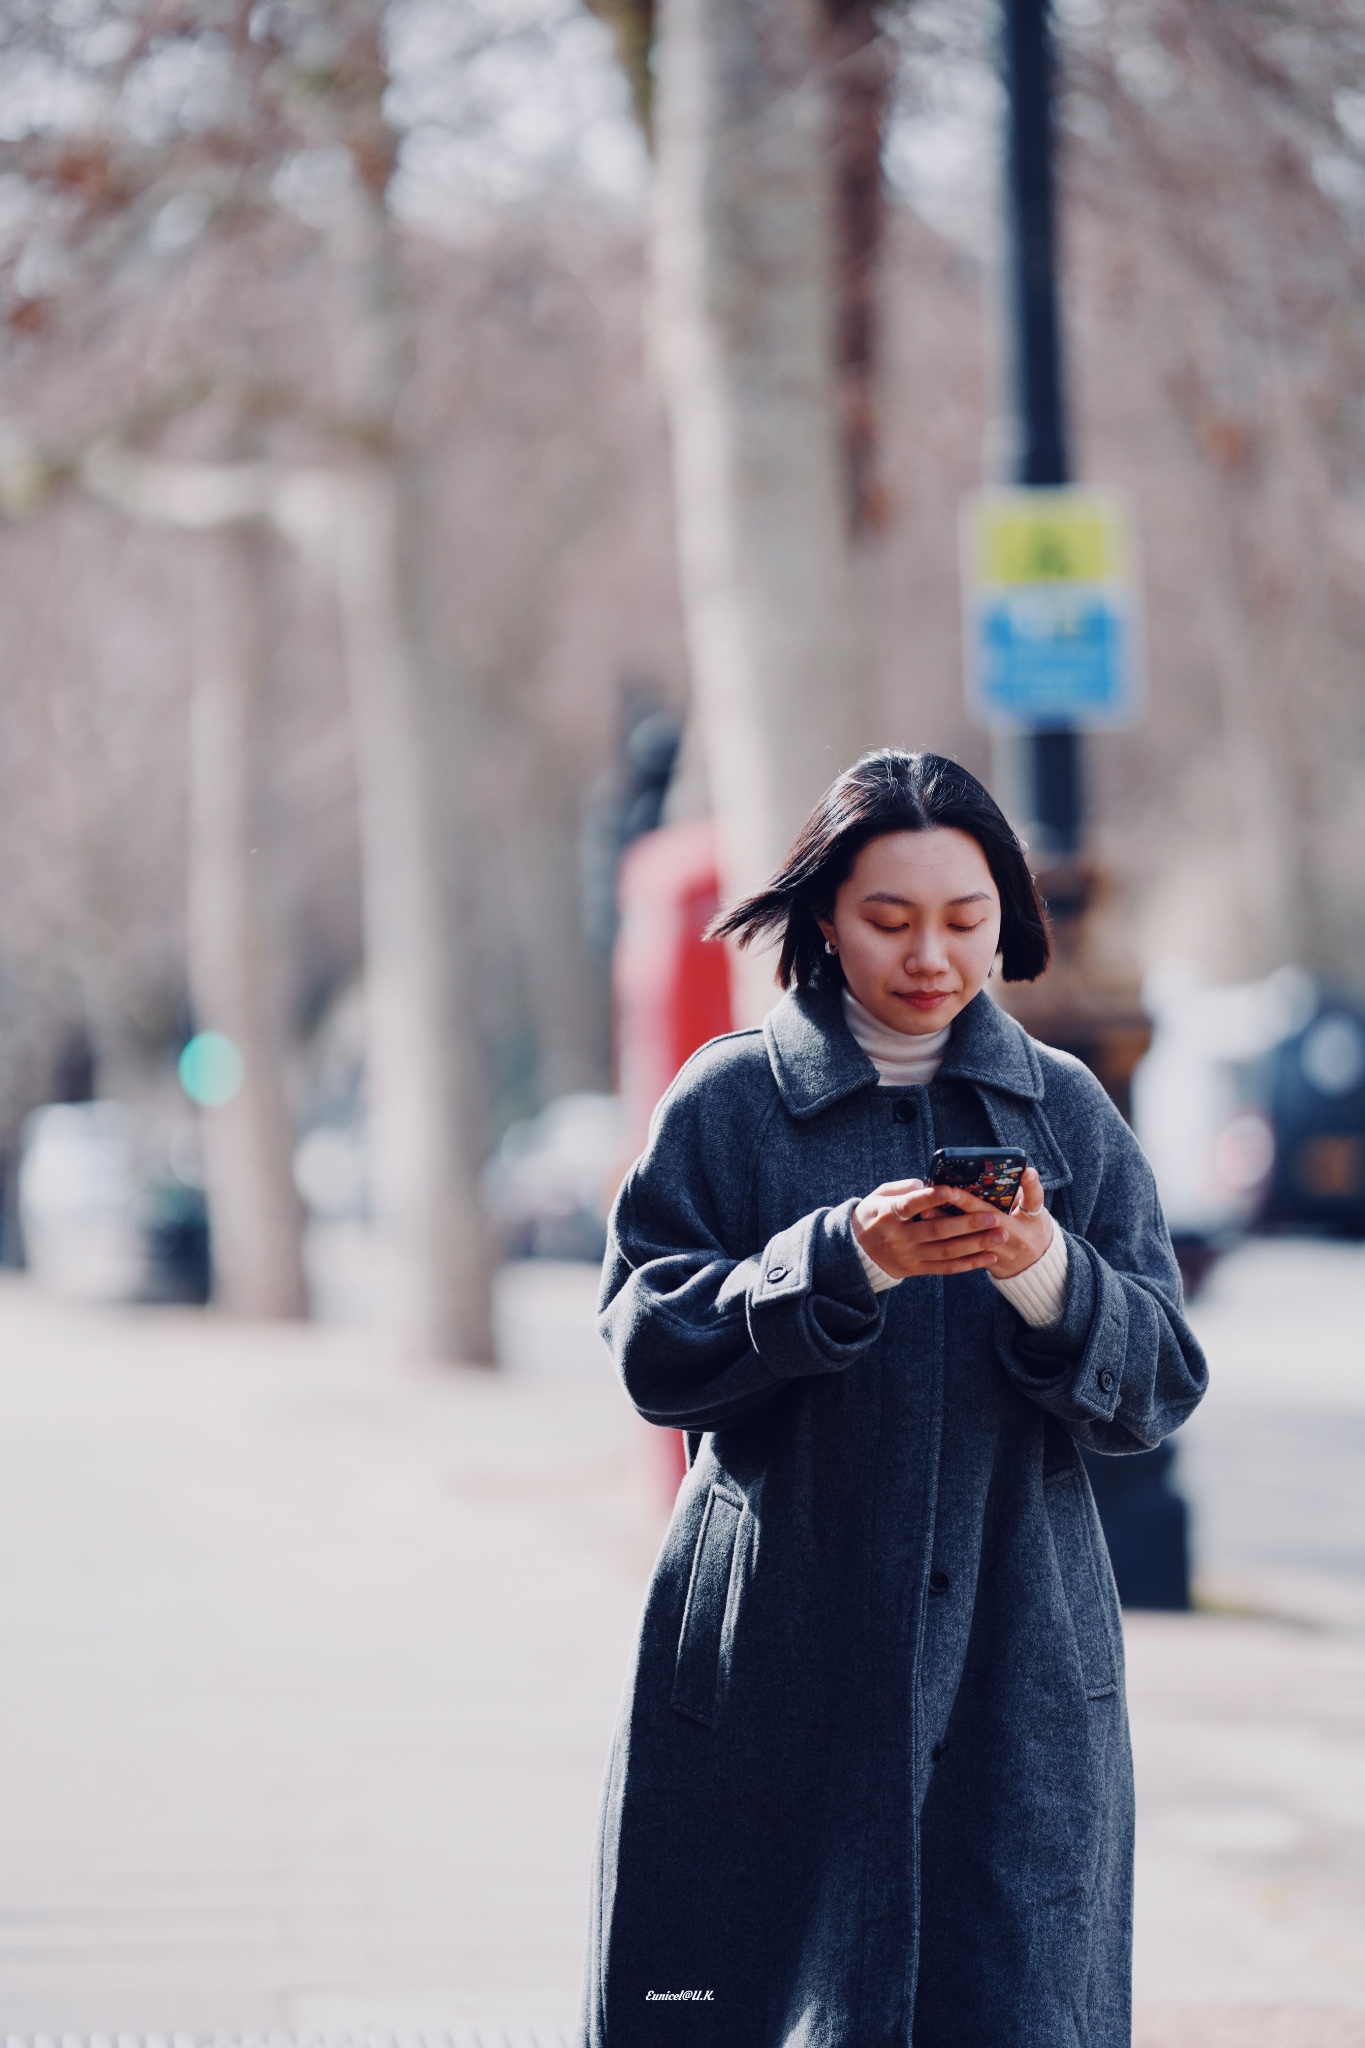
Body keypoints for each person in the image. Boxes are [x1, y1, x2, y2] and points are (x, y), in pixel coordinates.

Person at [581, 749, 1207, 2048]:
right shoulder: (729, 1103)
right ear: (820, 918)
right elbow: (647, 1347)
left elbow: (1157, 1388)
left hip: (1015, 1659)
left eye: (964, 921)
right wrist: (834, 1260)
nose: (930, 956)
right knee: (742, 2000)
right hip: (773, 1650)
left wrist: (1044, 1274)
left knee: (1007, 2000)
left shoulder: (1068, 1117)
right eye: (888, 918)